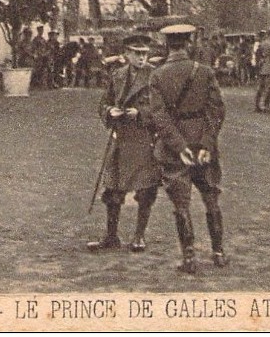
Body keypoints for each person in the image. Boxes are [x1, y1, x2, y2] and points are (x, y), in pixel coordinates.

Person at [148, 24, 228, 274]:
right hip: (203, 144)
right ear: (189, 43)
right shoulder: (204, 72)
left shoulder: (157, 75)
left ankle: (189, 258)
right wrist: (206, 143)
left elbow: (159, 117)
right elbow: (216, 110)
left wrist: (179, 147)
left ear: (166, 45)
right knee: (211, 199)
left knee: (181, 205)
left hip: (175, 148)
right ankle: (219, 252)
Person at [87, 35, 161, 253]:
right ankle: (111, 236)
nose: (141, 57)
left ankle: (139, 236)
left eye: (144, 53)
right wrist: (111, 111)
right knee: (113, 189)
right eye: (136, 53)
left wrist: (140, 113)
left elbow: (163, 109)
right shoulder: (117, 75)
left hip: (143, 139)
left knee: (145, 189)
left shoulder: (155, 76)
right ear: (127, 54)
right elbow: (104, 103)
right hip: (120, 138)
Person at [255, 28, 270, 112]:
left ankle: (258, 105)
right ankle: (265, 106)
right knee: (269, 88)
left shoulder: (262, 43)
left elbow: (258, 55)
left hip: (262, 68)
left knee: (261, 88)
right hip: (269, 68)